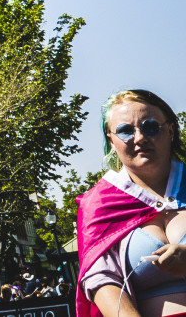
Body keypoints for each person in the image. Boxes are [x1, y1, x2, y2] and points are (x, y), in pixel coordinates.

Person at [77, 89, 186, 317]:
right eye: (125, 131)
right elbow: (100, 279)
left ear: (171, 130)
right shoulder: (98, 204)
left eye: (150, 127)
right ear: (112, 140)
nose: (139, 138)